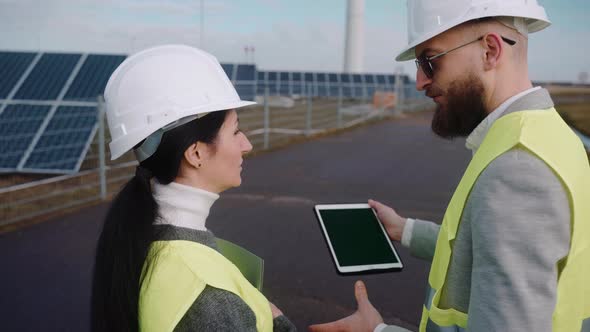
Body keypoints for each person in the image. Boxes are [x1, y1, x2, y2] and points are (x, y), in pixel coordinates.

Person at [309, 0, 590, 331]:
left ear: (490, 51)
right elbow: (490, 245)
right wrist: (405, 229)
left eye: (429, 61)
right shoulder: (551, 135)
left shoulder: (516, 170)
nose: (419, 81)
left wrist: (379, 331)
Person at [91, 45, 296, 332]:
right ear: (196, 153)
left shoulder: (147, 237)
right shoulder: (205, 291)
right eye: (235, 131)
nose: (246, 145)